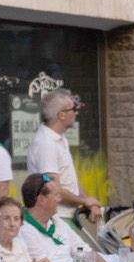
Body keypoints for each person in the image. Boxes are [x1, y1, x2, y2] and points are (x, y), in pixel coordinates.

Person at [28, 88, 99, 216]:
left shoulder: (60, 139)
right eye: (74, 109)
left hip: (68, 215)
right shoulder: (46, 143)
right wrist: (84, 201)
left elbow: (70, 179)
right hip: (56, 217)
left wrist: (88, 202)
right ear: (62, 115)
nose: (76, 113)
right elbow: (53, 187)